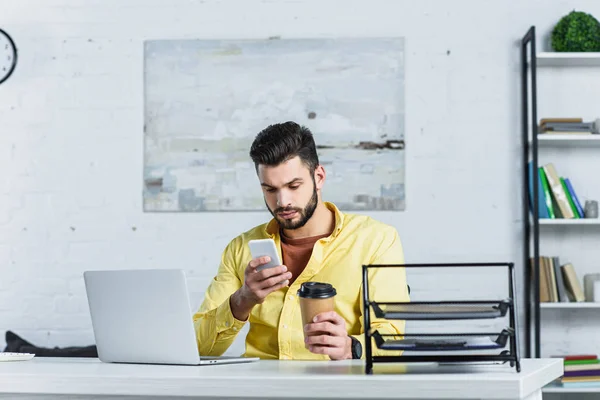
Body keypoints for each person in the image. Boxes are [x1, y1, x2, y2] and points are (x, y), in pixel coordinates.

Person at [193, 121, 409, 360]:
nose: (282, 201)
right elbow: (198, 348)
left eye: (294, 186)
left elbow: (391, 338)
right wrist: (242, 300)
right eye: (270, 189)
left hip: (336, 390)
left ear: (319, 177)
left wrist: (350, 347)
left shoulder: (376, 240)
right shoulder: (240, 248)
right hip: (260, 391)